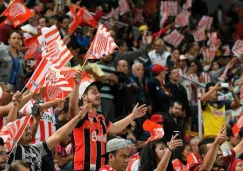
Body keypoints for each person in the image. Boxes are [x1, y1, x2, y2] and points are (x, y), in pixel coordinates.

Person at [69, 70, 147, 171]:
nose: (98, 95)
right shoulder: (80, 114)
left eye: (98, 92)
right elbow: (71, 108)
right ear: (84, 97)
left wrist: (132, 116)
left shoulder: (100, 118)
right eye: (94, 92)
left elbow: (115, 128)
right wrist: (77, 84)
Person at [5, 91, 94, 171]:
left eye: (29, 128)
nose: (28, 131)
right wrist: (15, 105)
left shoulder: (37, 149)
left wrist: (78, 117)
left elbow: (58, 135)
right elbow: (10, 124)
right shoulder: (13, 149)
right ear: (16, 131)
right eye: (25, 129)